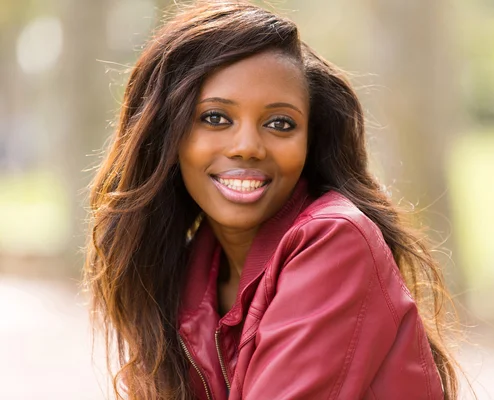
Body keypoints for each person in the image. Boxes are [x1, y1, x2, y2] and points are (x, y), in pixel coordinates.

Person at [84, 1, 461, 399]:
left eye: (280, 123)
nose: (247, 146)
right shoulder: (184, 270)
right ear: (168, 135)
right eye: (215, 118)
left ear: (308, 141)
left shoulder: (334, 240)